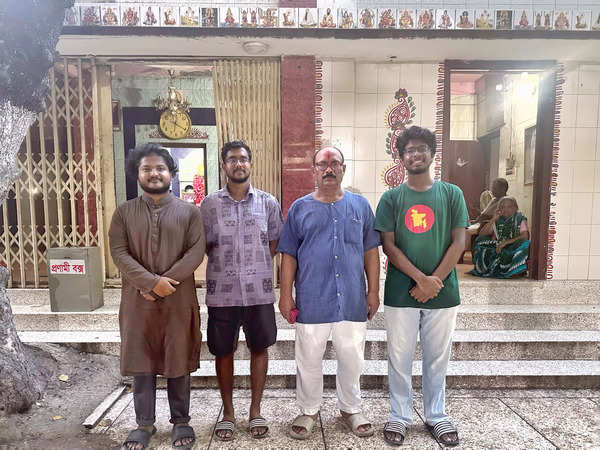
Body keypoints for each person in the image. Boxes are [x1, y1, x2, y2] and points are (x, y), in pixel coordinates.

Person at [277, 146, 381, 440]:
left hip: (351, 297)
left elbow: (371, 252)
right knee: (308, 357)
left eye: (335, 163)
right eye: (323, 164)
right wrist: (286, 295)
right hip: (312, 298)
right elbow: (289, 255)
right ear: (314, 170)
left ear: (344, 169)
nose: (329, 169)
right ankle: (308, 409)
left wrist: (373, 291)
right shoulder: (299, 208)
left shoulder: (360, 206)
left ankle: (350, 408)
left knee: (352, 357)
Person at [375, 126, 467, 447]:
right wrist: (420, 279)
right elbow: (388, 245)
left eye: (421, 149)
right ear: (401, 158)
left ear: (432, 153)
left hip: (444, 293)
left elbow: (459, 242)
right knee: (399, 356)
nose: (415, 154)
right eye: (409, 150)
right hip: (402, 292)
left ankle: (436, 415)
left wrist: (434, 282)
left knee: (437, 357)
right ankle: (399, 415)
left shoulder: (451, 193)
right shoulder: (391, 198)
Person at [109, 144, 205, 450]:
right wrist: (150, 283)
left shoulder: (189, 212)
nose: (154, 174)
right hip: (139, 302)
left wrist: (166, 283)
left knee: (178, 359)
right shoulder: (124, 213)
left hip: (177, 301)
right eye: (147, 168)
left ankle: (181, 421)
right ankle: (144, 424)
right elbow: (119, 252)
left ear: (171, 173)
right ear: (137, 174)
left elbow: (196, 251)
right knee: (142, 361)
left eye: (160, 168)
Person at [200, 141, 283, 441]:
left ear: (251, 163)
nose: (238, 164)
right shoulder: (209, 205)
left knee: (260, 348)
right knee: (223, 351)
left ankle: (256, 410)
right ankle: (228, 413)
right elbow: (205, 246)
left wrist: (255, 267)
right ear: (223, 165)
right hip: (222, 293)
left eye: (243, 159)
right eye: (232, 159)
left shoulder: (268, 203)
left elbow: (274, 243)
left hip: (259, 292)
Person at [470, 196, 530, 278]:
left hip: (513, 245)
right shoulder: (498, 219)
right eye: (502, 207)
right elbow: (482, 234)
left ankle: (514, 270)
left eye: (509, 207)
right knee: (480, 240)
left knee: (525, 243)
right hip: (498, 245)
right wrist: (493, 219)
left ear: (515, 208)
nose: (505, 209)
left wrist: (505, 243)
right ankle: (486, 269)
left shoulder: (520, 218)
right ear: (498, 209)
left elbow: (525, 236)